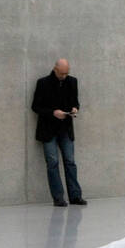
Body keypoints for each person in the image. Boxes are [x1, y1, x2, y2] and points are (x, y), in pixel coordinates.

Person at [31, 58, 86, 207]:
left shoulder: (72, 81)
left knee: (70, 162)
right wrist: (53, 113)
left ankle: (75, 196)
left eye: (66, 73)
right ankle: (58, 198)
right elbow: (36, 107)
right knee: (53, 163)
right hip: (48, 130)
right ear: (55, 69)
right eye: (62, 73)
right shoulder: (42, 83)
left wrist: (75, 109)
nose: (64, 76)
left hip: (66, 129)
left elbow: (75, 101)